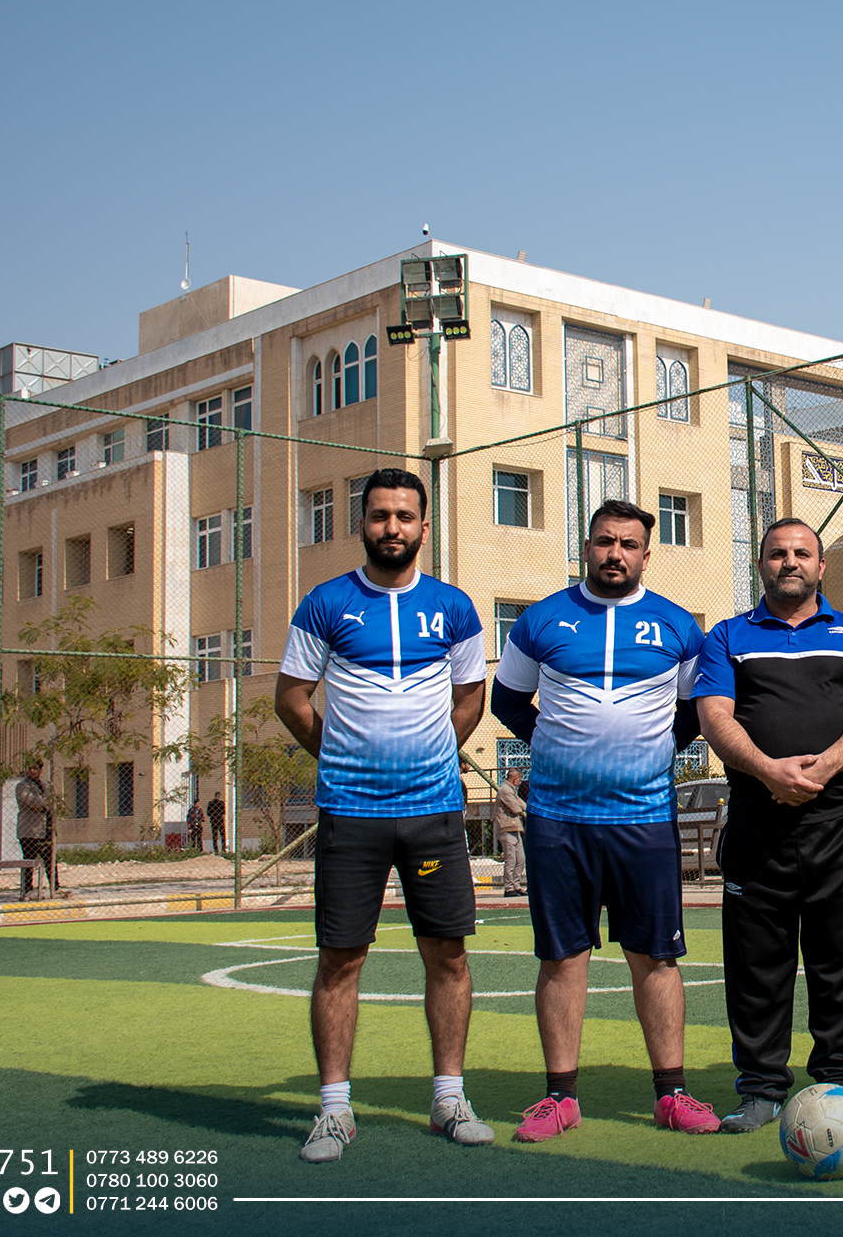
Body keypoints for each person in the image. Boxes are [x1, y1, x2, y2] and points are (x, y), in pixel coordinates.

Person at [274, 467, 493, 1163]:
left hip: (433, 813)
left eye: (404, 516)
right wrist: (340, 755)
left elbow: (470, 699)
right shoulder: (326, 603)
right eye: (379, 515)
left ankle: (449, 1098)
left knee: (448, 956)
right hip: (351, 813)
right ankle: (334, 1110)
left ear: (424, 527)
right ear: (362, 523)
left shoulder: (454, 608)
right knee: (340, 959)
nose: (391, 527)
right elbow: (291, 699)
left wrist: (430, 756)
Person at [489, 498, 718, 1141]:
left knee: (657, 958)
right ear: (586, 546)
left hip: (644, 819)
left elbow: (692, 712)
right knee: (563, 957)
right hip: (558, 821)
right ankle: (559, 1097)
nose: (615, 553)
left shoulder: (678, 626)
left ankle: (671, 1094)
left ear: (646, 554)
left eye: (628, 544)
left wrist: (651, 754)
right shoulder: (541, 619)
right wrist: (556, 747)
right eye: (604, 541)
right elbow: (508, 701)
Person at [693, 519, 843, 1133]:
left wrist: (824, 767)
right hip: (758, 825)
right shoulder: (728, 635)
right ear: (760, 564)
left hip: (839, 824)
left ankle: (837, 1085)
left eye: (802, 553)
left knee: (841, 965)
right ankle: (760, 1089)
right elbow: (714, 716)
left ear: (821, 566)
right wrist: (767, 771)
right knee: (757, 967)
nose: (790, 562)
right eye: (777, 553)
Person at [15, 759, 54, 899]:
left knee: (49, 859)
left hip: (44, 828)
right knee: (29, 860)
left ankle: (55, 887)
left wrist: (48, 804)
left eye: (35, 768)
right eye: (29, 768)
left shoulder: (46, 785)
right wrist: (47, 804)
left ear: (40, 770)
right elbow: (32, 801)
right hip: (29, 829)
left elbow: (53, 800)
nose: (31, 770)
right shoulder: (22, 786)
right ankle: (27, 889)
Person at [496, 775, 528, 897]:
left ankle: (516, 885)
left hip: (515, 828)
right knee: (511, 859)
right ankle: (509, 887)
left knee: (520, 859)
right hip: (506, 828)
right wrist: (517, 804)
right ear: (514, 778)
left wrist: (518, 802)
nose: (520, 783)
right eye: (519, 780)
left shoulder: (512, 791)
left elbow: (524, 807)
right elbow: (516, 809)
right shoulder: (505, 790)